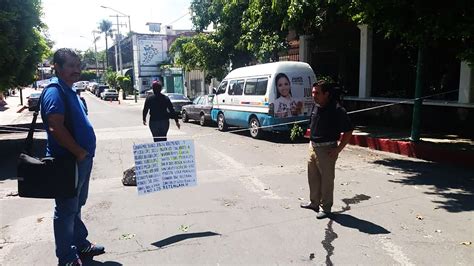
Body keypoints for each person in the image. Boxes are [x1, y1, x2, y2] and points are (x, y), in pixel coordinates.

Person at [40, 48, 104, 265]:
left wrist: (84, 154)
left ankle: (80, 243)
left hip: (81, 160)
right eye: (70, 66)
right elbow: (55, 126)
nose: (76, 70)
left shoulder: (70, 89)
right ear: (57, 67)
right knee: (66, 209)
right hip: (68, 162)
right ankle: (66, 257)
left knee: (76, 206)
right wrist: (78, 152)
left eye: (78, 66)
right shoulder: (54, 91)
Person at [300, 80, 353, 219]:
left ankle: (326, 207)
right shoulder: (316, 106)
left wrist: (338, 149)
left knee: (327, 180)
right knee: (313, 178)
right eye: (313, 93)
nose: (314, 95)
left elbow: (348, 131)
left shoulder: (337, 109)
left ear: (326, 94)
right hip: (313, 147)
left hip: (327, 149)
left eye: (317, 93)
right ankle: (314, 203)